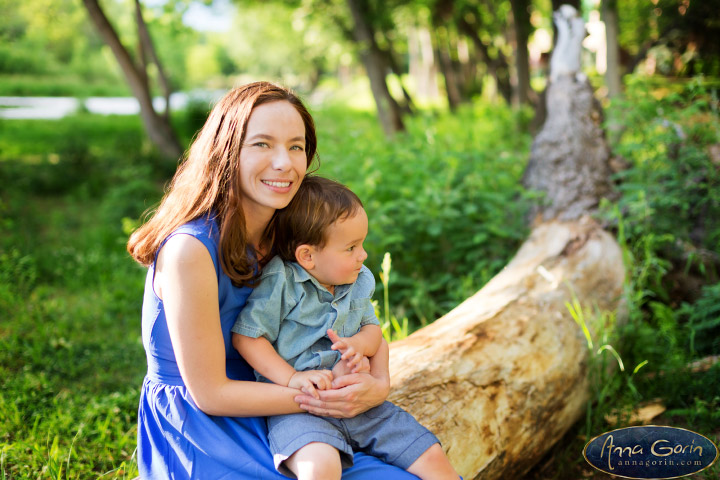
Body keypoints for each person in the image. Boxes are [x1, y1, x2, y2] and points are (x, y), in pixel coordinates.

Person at [126, 81, 424, 479]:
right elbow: (211, 393)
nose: (284, 162)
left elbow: (353, 319)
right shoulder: (190, 250)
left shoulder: (292, 233)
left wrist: (378, 386)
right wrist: (325, 397)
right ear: (226, 152)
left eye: (296, 146)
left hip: (291, 405)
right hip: (207, 426)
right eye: (262, 144)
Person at [232, 175, 459, 480]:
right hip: (299, 412)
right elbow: (247, 337)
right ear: (307, 256)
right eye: (351, 247)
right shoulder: (282, 283)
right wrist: (292, 378)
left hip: (361, 401)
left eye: (361, 244)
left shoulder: (356, 279)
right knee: (319, 468)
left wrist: (359, 345)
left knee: (431, 454)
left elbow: (373, 331)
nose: (362, 255)